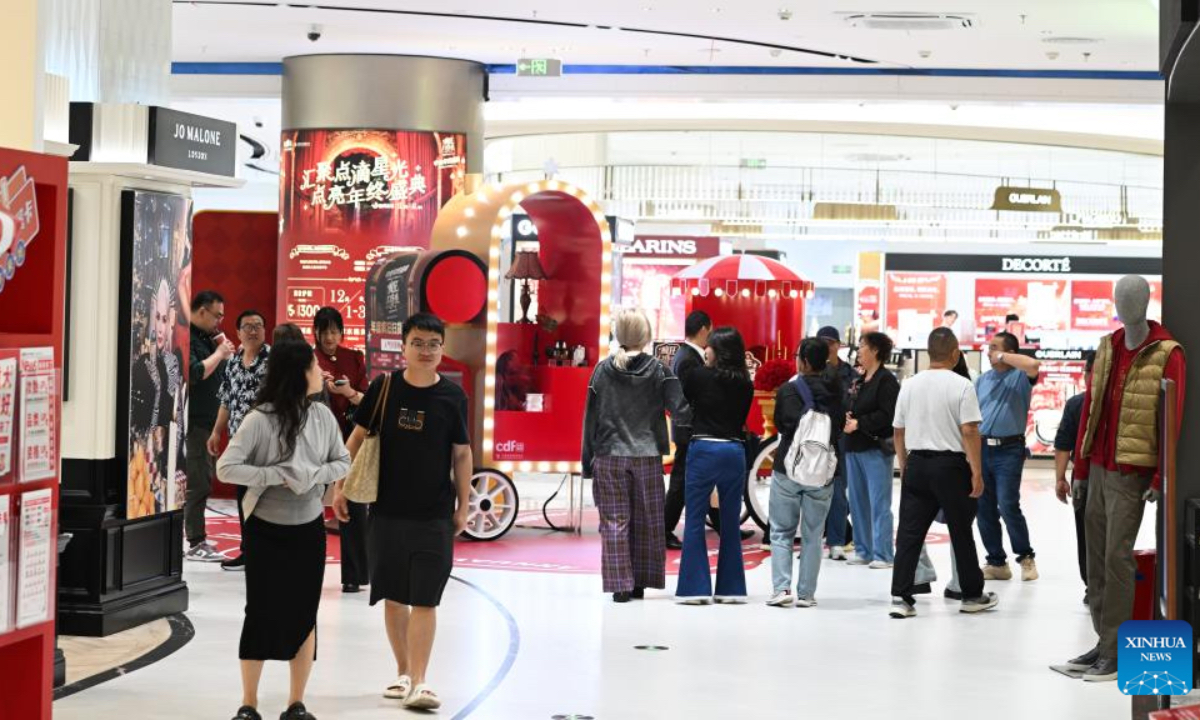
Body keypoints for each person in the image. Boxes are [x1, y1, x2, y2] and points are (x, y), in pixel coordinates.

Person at [332, 313, 471, 711]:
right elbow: (356, 439)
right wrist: (339, 487)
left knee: (425, 598)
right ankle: (404, 671)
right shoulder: (384, 387)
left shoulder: (452, 397)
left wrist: (463, 505)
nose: (426, 351)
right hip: (387, 512)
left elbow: (461, 454)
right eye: (418, 342)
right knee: (394, 596)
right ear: (404, 346)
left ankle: (422, 681)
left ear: (442, 348)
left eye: (433, 343)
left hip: (434, 515)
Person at [216, 341, 351, 720]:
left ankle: (296, 703)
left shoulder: (323, 417)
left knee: (305, 615)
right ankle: (249, 704)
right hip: (264, 532)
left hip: (308, 531)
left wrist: (312, 475)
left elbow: (342, 461)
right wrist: (274, 475)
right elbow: (226, 468)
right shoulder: (261, 419)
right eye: (313, 367)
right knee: (260, 611)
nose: (320, 374)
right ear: (297, 374)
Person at [1060, 275, 1184, 682]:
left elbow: (1173, 419)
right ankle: (1103, 641)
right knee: (1094, 557)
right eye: (1119, 297)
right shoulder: (1108, 346)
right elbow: (1090, 409)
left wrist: (1159, 476)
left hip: (1131, 471)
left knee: (1117, 558)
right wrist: (1080, 467)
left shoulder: (1167, 353)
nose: (1124, 304)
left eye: (1132, 297)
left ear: (1146, 302)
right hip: (1097, 465)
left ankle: (1115, 650)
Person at [581, 309, 690, 603]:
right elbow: (681, 411)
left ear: (618, 335)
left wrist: (586, 461)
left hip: (609, 454)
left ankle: (620, 585)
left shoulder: (602, 370)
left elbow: (589, 419)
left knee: (615, 521)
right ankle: (641, 580)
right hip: (647, 455)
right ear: (645, 335)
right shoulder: (659, 371)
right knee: (648, 521)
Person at [889, 327, 998, 619]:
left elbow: (898, 431)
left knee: (910, 534)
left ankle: (901, 596)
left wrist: (904, 463)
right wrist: (976, 471)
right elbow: (970, 430)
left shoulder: (910, 385)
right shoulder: (962, 385)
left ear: (928, 353)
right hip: (951, 467)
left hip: (917, 464)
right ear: (954, 354)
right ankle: (972, 595)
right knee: (961, 531)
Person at [675, 327, 755, 605]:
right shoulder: (746, 383)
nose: (705, 350)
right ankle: (731, 589)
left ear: (718, 351)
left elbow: (682, 402)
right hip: (734, 451)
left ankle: (694, 588)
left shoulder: (698, 376)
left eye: (709, 346)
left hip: (704, 448)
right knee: (730, 522)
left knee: (695, 519)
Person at [766, 338, 843, 608]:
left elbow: (782, 425)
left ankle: (781, 588)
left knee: (781, 532)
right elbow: (840, 426)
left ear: (805, 362)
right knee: (813, 534)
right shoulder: (835, 391)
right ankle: (807, 594)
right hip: (823, 472)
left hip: (788, 469)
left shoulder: (789, 390)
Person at [207, 310, 271, 571]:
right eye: (247, 326)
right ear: (238, 333)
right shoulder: (232, 363)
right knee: (244, 498)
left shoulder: (274, 360)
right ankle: (248, 551)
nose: (253, 330)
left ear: (265, 331)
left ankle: (267, 552)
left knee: (266, 500)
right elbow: (226, 400)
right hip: (239, 442)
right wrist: (215, 432)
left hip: (268, 443)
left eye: (258, 325)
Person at [312, 307, 370, 593]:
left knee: (353, 504)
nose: (330, 337)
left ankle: (354, 575)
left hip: (351, 439)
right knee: (309, 505)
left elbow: (367, 400)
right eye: (325, 331)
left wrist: (347, 393)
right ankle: (306, 571)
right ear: (316, 333)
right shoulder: (309, 360)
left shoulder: (354, 358)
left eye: (335, 330)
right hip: (316, 442)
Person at [975, 331, 1041, 582]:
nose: (990, 351)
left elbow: (1034, 364)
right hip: (982, 449)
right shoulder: (982, 381)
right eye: (990, 347)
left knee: (1008, 503)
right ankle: (996, 562)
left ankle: (1026, 557)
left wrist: (1003, 356)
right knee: (983, 507)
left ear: (1009, 352)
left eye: (995, 348)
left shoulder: (1020, 377)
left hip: (1009, 450)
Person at [664, 311, 725, 549]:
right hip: (689, 428)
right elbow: (690, 397)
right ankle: (664, 529)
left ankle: (722, 527)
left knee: (698, 479)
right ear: (703, 329)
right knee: (680, 481)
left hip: (688, 428)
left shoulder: (685, 355)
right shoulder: (689, 358)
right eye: (710, 330)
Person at [185, 290, 236, 562]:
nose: (220, 321)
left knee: (204, 479)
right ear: (202, 311)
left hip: (209, 422)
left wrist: (225, 356)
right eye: (217, 315)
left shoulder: (207, 337)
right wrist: (218, 353)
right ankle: (195, 541)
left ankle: (197, 537)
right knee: (198, 482)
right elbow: (196, 373)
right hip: (194, 423)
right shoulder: (187, 336)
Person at [843, 331, 901, 569]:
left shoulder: (886, 381)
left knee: (879, 502)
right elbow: (852, 404)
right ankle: (863, 549)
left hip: (875, 448)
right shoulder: (860, 379)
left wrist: (860, 423)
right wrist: (849, 416)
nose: (858, 351)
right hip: (854, 446)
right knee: (857, 502)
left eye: (862, 346)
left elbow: (889, 415)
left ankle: (884, 553)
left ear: (875, 350)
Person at [1054, 351, 1095, 605]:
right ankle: (1101, 585)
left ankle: (1093, 585)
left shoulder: (1077, 403)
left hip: (1084, 478)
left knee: (1086, 534)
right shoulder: (1079, 404)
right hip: (1109, 479)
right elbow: (1064, 444)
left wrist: (1060, 478)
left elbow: (1063, 444)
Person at [815, 326, 855, 561]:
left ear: (839, 344)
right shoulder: (812, 370)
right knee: (813, 489)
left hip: (842, 438)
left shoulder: (850, 373)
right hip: (816, 437)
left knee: (839, 490)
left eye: (831, 341)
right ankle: (815, 538)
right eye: (823, 341)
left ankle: (837, 541)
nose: (828, 346)